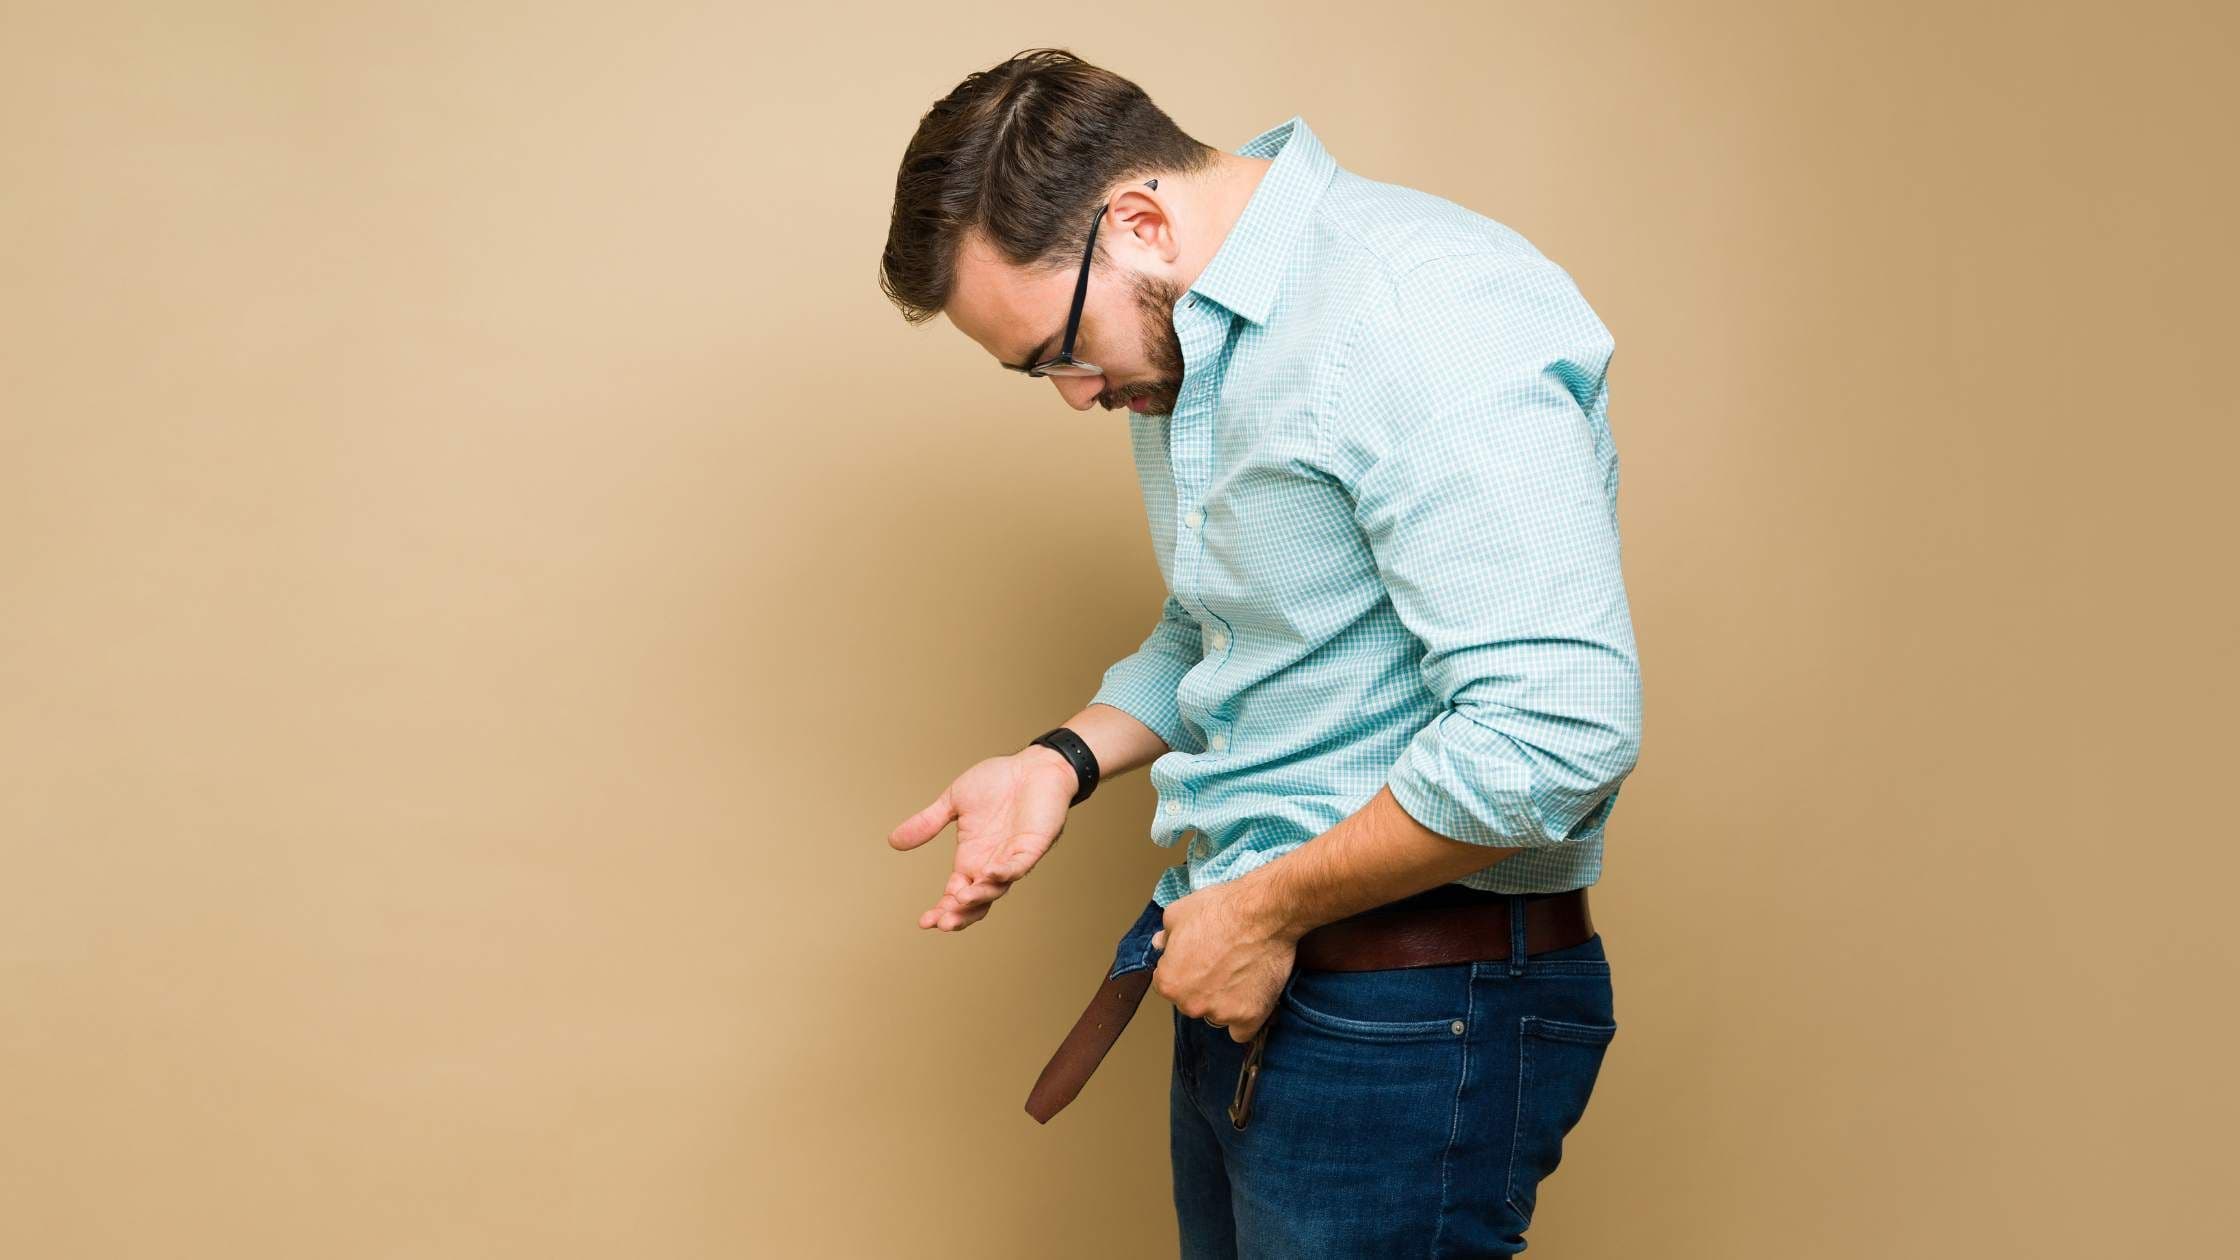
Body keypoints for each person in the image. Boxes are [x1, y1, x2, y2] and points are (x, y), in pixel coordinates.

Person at [880, 47, 1642, 1258]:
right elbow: (1228, 624)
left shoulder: (1414, 308)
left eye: (1058, 353)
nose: (1075, 399)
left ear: (1136, 221)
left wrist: (1258, 912)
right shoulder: (1193, 340)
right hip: (1258, 973)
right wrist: (1061, 760)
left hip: (1408, 1008)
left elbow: (1555, 731)